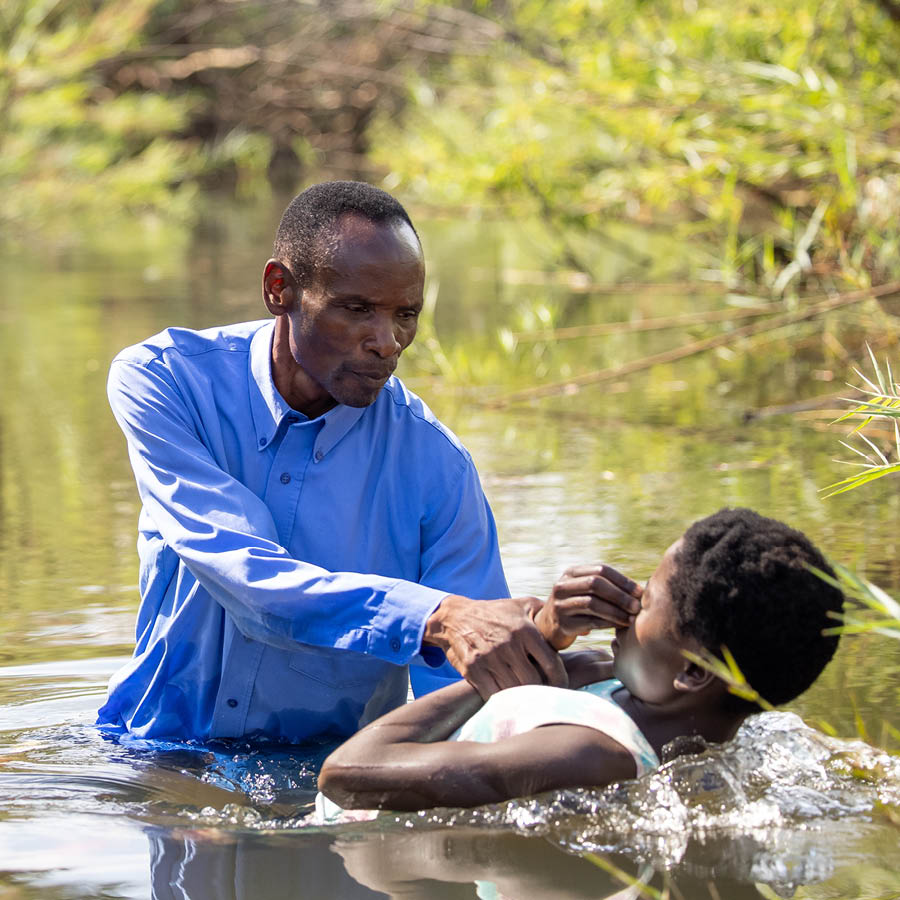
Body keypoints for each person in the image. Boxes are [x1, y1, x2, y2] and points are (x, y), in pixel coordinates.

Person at [98, 181, 589, 744]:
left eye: (406, 314)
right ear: (279, 289)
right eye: (357, 309)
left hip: (324, 772)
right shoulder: (166, 383)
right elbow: (245, 576)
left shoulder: (439, 467)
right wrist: (433, 617)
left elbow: (468, 694)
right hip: (151, 751)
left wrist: (546, 634)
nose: (388, 342)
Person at [317, 508, 844, 813]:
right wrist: (544, 640)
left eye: (647, 601)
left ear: (691, 672)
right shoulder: (616, 684)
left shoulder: (586, 756)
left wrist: (494, 674)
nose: (627, 606)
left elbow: (344, 774)